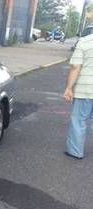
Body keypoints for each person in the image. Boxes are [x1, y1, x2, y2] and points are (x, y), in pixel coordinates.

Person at [63, 5, 93, 159]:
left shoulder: (85, 41)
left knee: (79, 121)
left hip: (85, 90)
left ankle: (75, 151)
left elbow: (75, 67)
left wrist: (69, 88)